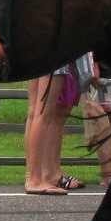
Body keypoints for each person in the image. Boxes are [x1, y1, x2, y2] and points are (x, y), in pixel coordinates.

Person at [24, 61, 80, 195]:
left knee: (34, 114)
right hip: (53, 56)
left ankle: (33, 174)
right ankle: (35, 179)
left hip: (36, 54)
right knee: (43, 115)